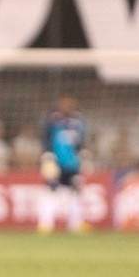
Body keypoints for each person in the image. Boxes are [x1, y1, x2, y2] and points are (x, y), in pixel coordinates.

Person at [37, 93, 88, 233]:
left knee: (75, 191)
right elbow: (45, 138)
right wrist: (47, 156)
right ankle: (46, 224)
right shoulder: (52, 120)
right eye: (64, 103)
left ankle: (76, 224)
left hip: (73, 164)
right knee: (50, 191)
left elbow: (81, 141)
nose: (67, 106)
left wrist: (83, 155)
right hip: (55, 162)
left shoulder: (78, 121)